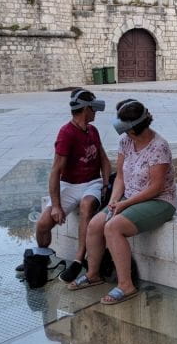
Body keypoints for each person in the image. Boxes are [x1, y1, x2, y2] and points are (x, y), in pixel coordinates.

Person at [77, 99, 176, 304]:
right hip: (127, 198)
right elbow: (120, 176)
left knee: (113, 227)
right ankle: (93, 273)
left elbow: (156, 188)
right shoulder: (125, 141)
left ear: (134, 130)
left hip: (159, 201)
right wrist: (114, 201)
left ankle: (126, 285)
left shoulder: (159, 147)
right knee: (96, 224)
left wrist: (124, 205)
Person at [19, 89, 111, 284]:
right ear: (86, 109)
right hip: (69, 184)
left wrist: (104, 183)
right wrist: (56, 205)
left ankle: (78, 260)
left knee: (87, 206)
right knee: (43, 223)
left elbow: (103, 158)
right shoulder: (66, 133)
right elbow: (55, 171)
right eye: (93, 108)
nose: (95, 112)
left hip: (92, 183)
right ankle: (41, 256)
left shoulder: (93, 131)